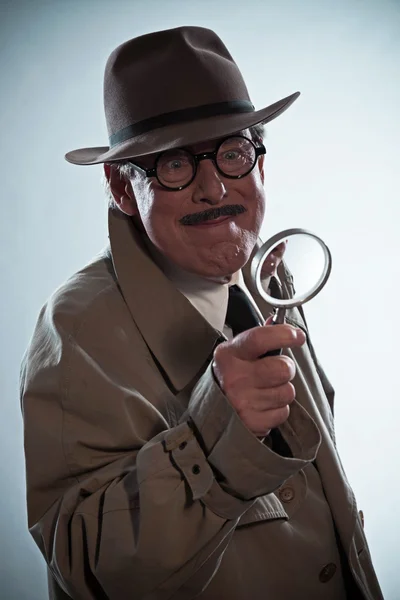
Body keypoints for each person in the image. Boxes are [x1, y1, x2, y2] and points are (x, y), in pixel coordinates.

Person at [20, 26, 383, 600]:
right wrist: (220, 429)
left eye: (233, 153)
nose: (214, 188)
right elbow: (85, 565)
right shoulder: (77, 326)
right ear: (120, 185)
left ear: (260, 164)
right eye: (175, 165)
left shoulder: (263, 273)